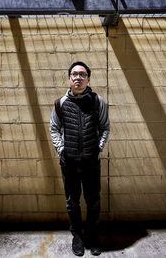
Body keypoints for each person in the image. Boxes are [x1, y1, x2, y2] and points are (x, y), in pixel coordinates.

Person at [50, 61, 110, 256]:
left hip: (91, 162)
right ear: (69, 79)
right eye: (74, 74)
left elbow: (105, 128)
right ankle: (77, 236)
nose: (78, 77)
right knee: (72, 201)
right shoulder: (60, 103)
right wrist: (62, 150)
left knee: (93, 201)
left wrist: (98, 148)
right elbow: (54, 129)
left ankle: (92, 235)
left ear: (88, 79)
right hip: (69, 162)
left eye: (82, 74)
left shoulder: (98, 101)